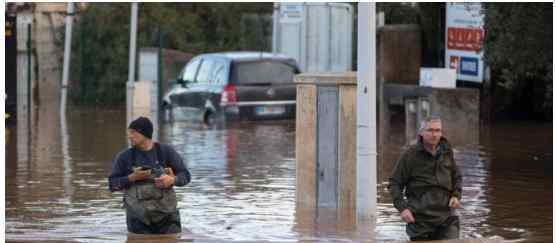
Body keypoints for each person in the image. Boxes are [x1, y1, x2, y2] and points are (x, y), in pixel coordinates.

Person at [109, 116, 191, 234]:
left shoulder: (166, 152)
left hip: (167, 218)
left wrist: (172, 180)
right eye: (129, 132)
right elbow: (112, 185)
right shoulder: (124, 157)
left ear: (144, 133)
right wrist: (132, 177)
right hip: (137, 220)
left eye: (133, 132)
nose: (129, 136)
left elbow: (186, 176)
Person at [388, 116, 462, 241]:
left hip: (446, 216)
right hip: (420, 219)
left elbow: (457, 176)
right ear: (421, 133)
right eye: (430, 130)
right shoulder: (410, 155)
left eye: (438, 130)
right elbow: (394, 183)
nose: (434, 134)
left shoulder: (447, 152)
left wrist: (456, 195)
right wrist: (403, 209)